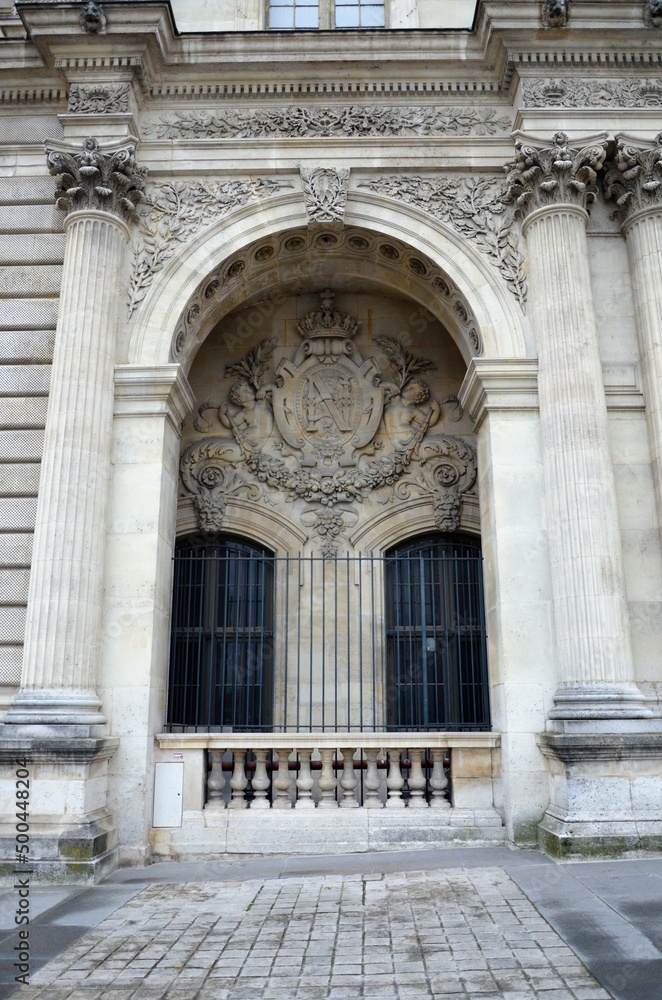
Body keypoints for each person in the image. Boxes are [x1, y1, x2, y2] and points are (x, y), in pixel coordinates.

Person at [382, 378, 440, 453]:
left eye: (412, 389)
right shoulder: (396, 398)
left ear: (417, 397)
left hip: (410, 437)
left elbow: (429, 422)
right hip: (396, 439)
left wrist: (437, 410)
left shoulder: (414, 411)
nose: (407, 388)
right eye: (408, 386)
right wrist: (390, 385)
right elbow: (377, 388)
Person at [219, 380, 274, 456]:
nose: (250, 390)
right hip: (248, 439)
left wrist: (262, 389)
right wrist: (222, 414)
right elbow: (229, 424)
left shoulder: (261, 401)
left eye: (249, 388)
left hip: (261, 437)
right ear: (240, 399)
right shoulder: (243, 413)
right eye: (246, 391)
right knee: (230, 448)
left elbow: (273, 387)